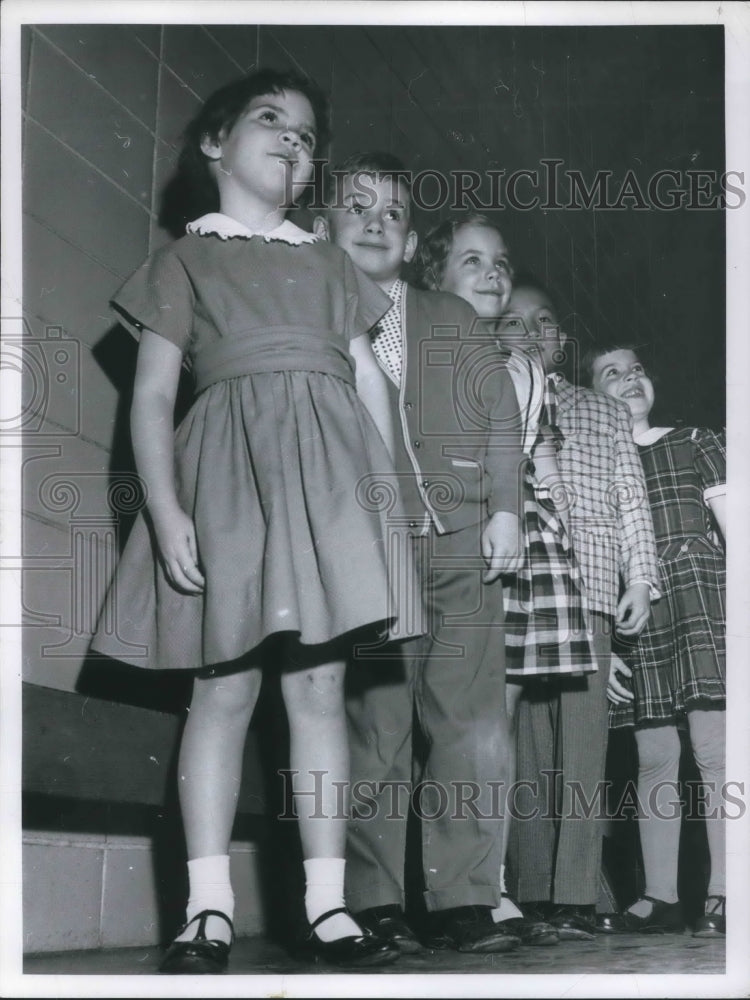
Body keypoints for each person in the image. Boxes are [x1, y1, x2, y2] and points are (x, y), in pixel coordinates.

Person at [91, 70, 417, 972]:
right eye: (271, 119)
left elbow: (370, 381)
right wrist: (165, 510)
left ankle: (327, 906)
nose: (292, 140)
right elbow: (151, 398)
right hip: (227, 481)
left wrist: (388, 500)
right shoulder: (183, 261)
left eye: (307, 135)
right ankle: (208, 909)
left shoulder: (331, 263)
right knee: (224, 690)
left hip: (331, 487)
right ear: (214, 143)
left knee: (319, 691)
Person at [314, 154, 527, 954]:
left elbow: (500, 416)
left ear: (410, 244)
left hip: (463, 537)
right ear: (323, 228)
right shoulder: (313, 314)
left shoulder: (452, 316)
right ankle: (374, 900)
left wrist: (505, 510)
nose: (376, 222)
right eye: (358, 207)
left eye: (394, 213)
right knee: (376, 723)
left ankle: (463, 898)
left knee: (471, 723)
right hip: (369, 542)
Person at [415, 217, 600, 947]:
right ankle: (431, 889)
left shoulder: (525, 372)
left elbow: (539, 459)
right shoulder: (422, 341)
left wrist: (557, 528)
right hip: (435, 531)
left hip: (510, 536)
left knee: (494, 719)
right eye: (472, 262)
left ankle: (485, 887)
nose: (493, 274)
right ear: (433, 277)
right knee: (442, 714)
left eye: (501, 263)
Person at [497, 280, 661, 941]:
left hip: (589, 583)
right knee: (524, 743)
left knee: (584, 745)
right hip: (518, 585)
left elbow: (631, 500)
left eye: (544, 322)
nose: (531, 332)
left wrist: (641, 580)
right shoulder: (489, 395)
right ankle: (531, 891)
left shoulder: (603, 410)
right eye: (514, 321)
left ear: (561, 340)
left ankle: (576, 895)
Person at [587, 344, 726, 938]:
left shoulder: (696, 440)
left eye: (637, 369)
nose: (630, 379)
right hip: (639, 618)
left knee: (714, 747)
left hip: (702, 603)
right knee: (653, 755)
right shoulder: (597, 466)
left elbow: (737, 529)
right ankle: (660, 895)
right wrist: (604, 649)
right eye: (611, 374)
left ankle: (727, 891)